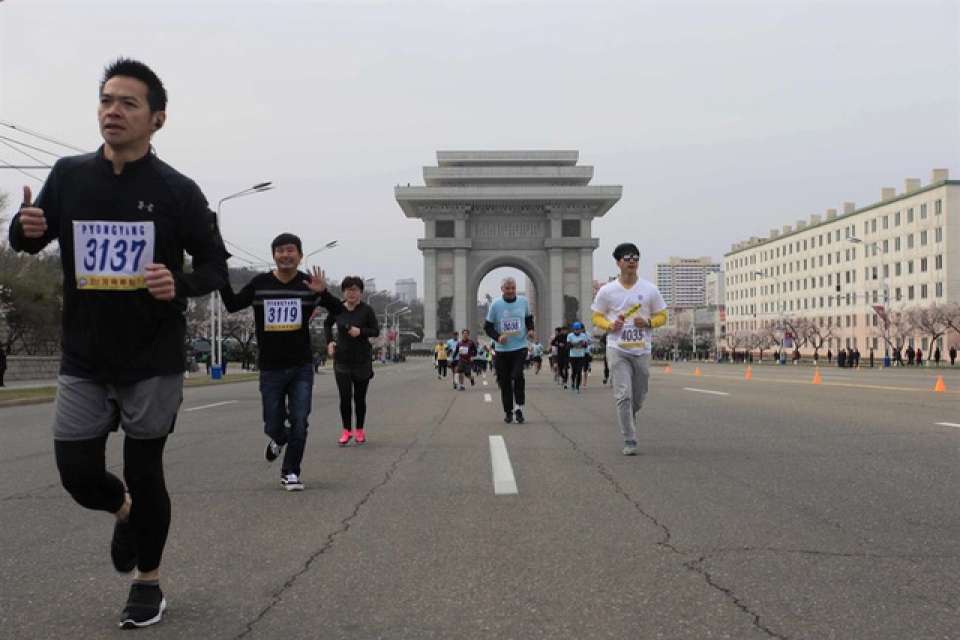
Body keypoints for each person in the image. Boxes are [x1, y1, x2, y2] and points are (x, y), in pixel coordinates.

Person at [6, 58, 229, 629]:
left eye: (129, 103)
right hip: (84, 353)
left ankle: (147, 583)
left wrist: (176, 282)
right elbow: (33, 237)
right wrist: (22, 228)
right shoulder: (70, 174)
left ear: (157, 119)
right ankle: (123, 510)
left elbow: (213, 269)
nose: (113, 110)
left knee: (145, 467)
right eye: (107, 100)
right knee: (78, 474)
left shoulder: (178, 191)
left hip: (151, 355)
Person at [219, 233, 341, 491]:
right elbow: (231, 305)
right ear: (274, 255)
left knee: (300, 419)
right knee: (272, 422)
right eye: (280, 251)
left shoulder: (309, 284)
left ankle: (291, 472)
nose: (285, 255)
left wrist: (324, 293)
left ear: (300, 255)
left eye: (290, 250)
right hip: (271, 366)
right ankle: (278, 438)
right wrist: (220, 276)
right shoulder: (260, 283)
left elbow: (340, 311)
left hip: (301, 366)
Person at [591, 243, 667, 456]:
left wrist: (650, 323)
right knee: (623, 395)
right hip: (617, 348)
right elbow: (596, 315)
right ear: (618, 262)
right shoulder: (607, 291)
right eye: (627, 257)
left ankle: (629, 415)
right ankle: (629, 439)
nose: (632, 261)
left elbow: (663, 315)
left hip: (642, 349)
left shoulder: (649, 289)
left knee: (638, 396)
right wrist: (609, 326)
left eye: (635, 257)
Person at [324, 276, 380, 446]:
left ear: (361, 292)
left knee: (359, 398)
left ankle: (360, 430)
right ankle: (346, 430)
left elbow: (375, 331)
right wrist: (330, 342)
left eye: (355, 290)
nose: (351, 293)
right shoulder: (337, 309)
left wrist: (360, 331)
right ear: (343, 292)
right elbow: (327, 325)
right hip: (342, 360)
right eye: (348, 290)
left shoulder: (367, 310)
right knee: (345, 397)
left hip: (361, 360)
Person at [484, 277, 535, 424]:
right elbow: (488, 327)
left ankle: (518, 407)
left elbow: (528, 318)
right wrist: (498, 336)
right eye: (508, 288)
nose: (511, 291)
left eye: (513, 288)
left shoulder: (523, 302)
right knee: (505, 381)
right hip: (502, 350)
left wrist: (530, 330)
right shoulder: (495, 305)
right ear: (502, 289)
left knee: (517, 375)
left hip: (519, 347)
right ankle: (508, 411)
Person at [567, 322, 590, 393]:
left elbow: (586, 346)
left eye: (579, 329)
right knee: (574, 371)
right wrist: (576, 343)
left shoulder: (583, 336)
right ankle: (573, 383)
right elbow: (568, 345)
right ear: (573, 329)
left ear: (580, 329)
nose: (577, 331)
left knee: (579, 371)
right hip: (573, 356)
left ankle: (577, 387)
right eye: (576, 329)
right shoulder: (570, 336)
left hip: (581, 356)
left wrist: (583, 344)